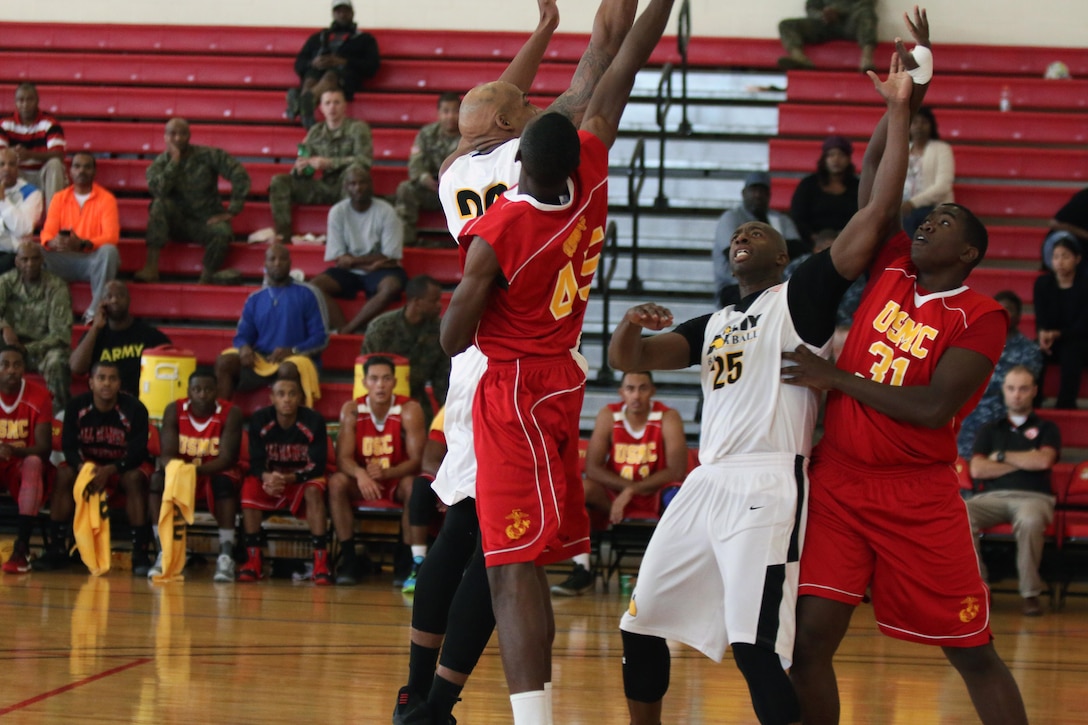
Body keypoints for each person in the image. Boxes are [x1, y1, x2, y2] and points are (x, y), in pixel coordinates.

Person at [613, 41, 916, 725]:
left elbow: (873, 216)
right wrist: (630, 326)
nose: (742, 235)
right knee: (638, 626)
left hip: (767, 483)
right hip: (705, 481)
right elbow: (628, 358)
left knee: (756, 648)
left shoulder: (801, 295)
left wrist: (898, 114)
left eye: (757, 231)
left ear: (784, 253)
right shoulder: (716, 318)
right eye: (735, 235)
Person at [394, 1, 639, 721]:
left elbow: (496, 102)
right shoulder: (538, 151)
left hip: (475, 362)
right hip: (512, 363)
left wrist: (541, 30)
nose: (528, 98)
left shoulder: (454, 168)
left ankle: (422, 693)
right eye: (523, 103)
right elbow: (603, 59)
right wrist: (597, 20)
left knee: (467, 525)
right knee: (498, 548)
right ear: (517, 129)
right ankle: (434, 696)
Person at [784, 11, 1030, 724]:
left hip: (918, 496)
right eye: (926, 218)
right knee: (808, 647)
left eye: (945, 222)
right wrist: (904, 102)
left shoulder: (981, 314)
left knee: (973, 649)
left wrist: (833, 380)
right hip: (840, 485)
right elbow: (876, 186)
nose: (927, 223)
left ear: (970, 254)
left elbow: (929, 408)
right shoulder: (892, 262)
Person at [440, 0, 678, 719]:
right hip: (561, 376)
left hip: (506, 383)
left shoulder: (488, 214)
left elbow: (454, 335)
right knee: (517, 552)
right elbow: (617, 68)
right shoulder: (591, 175)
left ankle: (508, 709)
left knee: (508, 563)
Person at [551, 370, 686, 597]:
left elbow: (676, 470)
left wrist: (632, 490)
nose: (636, 395)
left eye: (642, 388)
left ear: (652, 391)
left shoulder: (667, 416)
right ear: (621, 392)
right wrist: (625, 490)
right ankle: (582, 570)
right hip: (613, 497)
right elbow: (593, 467)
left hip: (655, 492)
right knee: (580, 490)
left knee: (678, 500)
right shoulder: (609, 415)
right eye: (630, 389)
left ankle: (672, 575)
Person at [35, 359, 153, 575]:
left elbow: (138, 452)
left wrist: (111, 470)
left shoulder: (135, 409)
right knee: (63, 473)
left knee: (136, 479)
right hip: (87, 466)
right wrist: (83, 468)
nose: (106, 384)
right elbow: (68, 447)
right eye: (101, 378)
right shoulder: (76, 406)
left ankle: (140, 553)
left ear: (120, 384)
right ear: (91, 383)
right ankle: (56, 549)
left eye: (112, 379)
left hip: (122, 467)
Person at [967, 365, 1061, 617]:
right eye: (1011, 388)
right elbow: (976, 469)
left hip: (1034, 498)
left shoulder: (1047, 428)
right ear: (1004, 392)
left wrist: (998, 459)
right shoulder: (989, 429)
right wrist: (1024, 459)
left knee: (1029, 521)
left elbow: (1043, 462)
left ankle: (1030, 594)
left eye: (1022, 388)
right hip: (991, 498)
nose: (1016, 394)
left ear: (1034, 391)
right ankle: (980, 589)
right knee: (959, 513)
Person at [328, 355, 425, 585]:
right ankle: (350, 558)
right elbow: (342, 459)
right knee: (336, 483)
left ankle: (404, 560)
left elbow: (417, 460)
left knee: (414, 485)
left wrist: (387, 473)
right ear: (364, 382)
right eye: (374, 379)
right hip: (362, 479)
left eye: (386, 378)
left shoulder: (409, 409)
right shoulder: (352, 410)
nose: (380, 385)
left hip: (395, 477)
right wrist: (361, 474)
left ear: (394, 381)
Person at [151, 369, 244, 582]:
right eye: (197, 390)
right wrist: (180, 472)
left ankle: (226, 554)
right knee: (157, 479)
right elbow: (166, 454)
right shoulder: (174, 410)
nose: (203, 394)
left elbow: (228, 457)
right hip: (183, 473)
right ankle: (163, 551)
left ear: (217, 391)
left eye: (208, 390)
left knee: (224, 483)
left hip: (213, 472)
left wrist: (192, 472)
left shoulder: (231, 413)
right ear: (189, 392)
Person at [237, 376, 332, 585]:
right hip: (271, 479)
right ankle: (253, 560)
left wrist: (290, 478)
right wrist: (267, 477)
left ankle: (320, 562)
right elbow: (255, 461)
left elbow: (318, 464)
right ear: (272, 398)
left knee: (315, 490)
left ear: (300, 398)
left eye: (292, 394)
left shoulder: (313, 420)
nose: (286, 399)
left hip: (301, 479)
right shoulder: (260, 420)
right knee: (249, 489)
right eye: (281, 394)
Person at [138, 118, 250, 285]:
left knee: (223, 232)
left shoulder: (208, 155)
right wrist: (174, 162)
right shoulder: (158, 165)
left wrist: (232, 210)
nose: (178, 138)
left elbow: (239, 173)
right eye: (173, 134)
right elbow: (158, 191)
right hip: (176, 225)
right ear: (165, 137)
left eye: (183, 133)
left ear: (189, 136)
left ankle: (206, 277)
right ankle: (151, 267)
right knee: (159, 204)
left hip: (206, 221)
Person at [215, 244, 328, 405]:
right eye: (272, 259)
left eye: (282, 259)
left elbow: (321, 338)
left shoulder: (308, 293)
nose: (277, 263)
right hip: (262, 361)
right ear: (265, 264)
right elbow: (242, 336)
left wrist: (293, 351)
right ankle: (220, 420)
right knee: (224, 361)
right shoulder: (255, 298)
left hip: (297, 360)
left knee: (286, 369)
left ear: (290, 263)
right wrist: (244, 347)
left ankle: (287, 426)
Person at [309, 164, 406, 334]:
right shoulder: (337, 212)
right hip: (355, 269)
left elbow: (390, 255)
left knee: (391, 286)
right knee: (314, 287)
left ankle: (348, 329)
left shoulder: (387, 212)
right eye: (353, 184)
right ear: (346, 187)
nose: (358, 188)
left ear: (371, 184)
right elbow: (338, 255)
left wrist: (353, 261)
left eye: (362, 183)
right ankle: (342, 328)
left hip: (381, 269)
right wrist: (366, 265)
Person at [269, 88, 373, 243]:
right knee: (279, 181)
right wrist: (301, 168)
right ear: (321, 108)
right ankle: (283, 234)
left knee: (354, 173)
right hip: (323, 187)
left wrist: (329, 163)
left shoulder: (358, 128)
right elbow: (305, 164)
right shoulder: (315, 131)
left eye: (337, 102)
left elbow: (365, 161)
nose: (332, 107)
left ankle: (345, 236)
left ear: (345, 106)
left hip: (349, 188)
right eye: (328, 103)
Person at [957, 290, 1043, 458]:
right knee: (966, 467)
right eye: (998, 308)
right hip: (975, 414)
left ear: (1019, 316)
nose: (1004, 313)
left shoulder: (1029, 350)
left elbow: (1025, 383)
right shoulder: (975, 343)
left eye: (1009, 309)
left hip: (1009, 415)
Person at [39, 152, 121, 324]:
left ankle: (95, 311)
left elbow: (111, 237)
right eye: (77, 166)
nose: (81, 171)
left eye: (87, 166)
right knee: (34, 251)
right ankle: (40, 310)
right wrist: (52, 242)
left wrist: (83, 243)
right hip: (63, 258)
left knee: (109, 251)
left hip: (91, 260)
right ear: (70, 171)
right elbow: (46, 233)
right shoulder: (59, 198)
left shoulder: (106, 199)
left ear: (94, 171)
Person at [361, 274, 449, 425]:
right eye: (434, 301)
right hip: (382, 400)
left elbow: (442, 380)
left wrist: (449, 412)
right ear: (416, 302)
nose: (439, 305)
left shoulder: (439, 330)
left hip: (417, 400)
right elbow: (367, 371)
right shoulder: (381, 328)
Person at [712, 171, 801, 307]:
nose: (758, 195)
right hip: (735, 286)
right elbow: (735, 254)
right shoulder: (731, 217)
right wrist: (772, 246)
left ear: (769, 195)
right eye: (753, 190)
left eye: (762, 191)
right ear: (743, 193)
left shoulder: (780, 219)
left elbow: (799, 250)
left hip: (776, 286)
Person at [0, 345, 53, 574]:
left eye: (17, 365)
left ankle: (21, 549)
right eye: (5, 364)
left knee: (34, 463)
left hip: (22, 463)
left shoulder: (39, 395)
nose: (11, 370)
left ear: (24, 369)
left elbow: (43, 449)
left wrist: (10, 450)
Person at [0, 241, 71, 408]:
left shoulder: (56, 287)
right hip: (8, 348)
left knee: (58, 361)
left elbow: (61, 335)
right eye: (24, 259)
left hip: (42, 350)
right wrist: (4, 326)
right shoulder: (5, 282)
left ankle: (58, 417)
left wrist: (27, 349)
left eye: (34, 259)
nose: (30, 264)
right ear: (17, 261)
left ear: (42, 260)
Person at [70, 280, 171, 397]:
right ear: (102, 303)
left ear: (129, 300)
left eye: (120, 295)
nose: (114, 300)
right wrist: (95, 327)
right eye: (109, 296)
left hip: (140, 402)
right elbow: (76, 368)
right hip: (104, 403)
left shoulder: (149, 335)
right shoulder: (95, 335)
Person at [289, 0, 380, 129]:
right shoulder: (318, 37)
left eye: (346, 11)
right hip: (317, 74)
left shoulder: (365, 39)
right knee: (310, 79)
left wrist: (344, 61)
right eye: (338, 11)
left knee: (330, 77)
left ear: (352, 13)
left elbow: (372, 66)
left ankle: (302, 102)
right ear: (333, 13)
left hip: (346, 78)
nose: (342, 14)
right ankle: (306, 106)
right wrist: (313, 63)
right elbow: (299, 64)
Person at [395, 92, 462, 247]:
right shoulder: (426, 134)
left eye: (455, 111)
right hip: (432, 189)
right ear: (438, 113)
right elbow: (415, 163)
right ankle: (406, 240)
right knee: (405, 188)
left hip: (458, 191)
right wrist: (424, 178)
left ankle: (468, 242)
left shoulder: (469, 135)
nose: (450, 116)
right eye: (446, 111)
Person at [1034, 237, 1088, 409]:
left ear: (1077, 259)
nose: (1059, 262)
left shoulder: (1085, 286)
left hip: (1079, 339)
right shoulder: (1042, 284)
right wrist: (1043, 333)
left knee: (1072, 350)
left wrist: (1058, 334)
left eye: (1065, 256)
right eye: (1056, 257)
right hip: (1052, 338)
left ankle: (1065, 404)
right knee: (1035, 350)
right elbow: (1040, 317)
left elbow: (1083, 324)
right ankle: (1034, 400)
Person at [0, 83, 67, 208]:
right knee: (3, 164)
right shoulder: (4, 124)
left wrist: (29, 154)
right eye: (21, 100)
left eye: (29, 99)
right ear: (15, 103)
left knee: (55, 164)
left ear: (37, 101)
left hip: (43, 175)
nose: (25, 104)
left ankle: (53, 219)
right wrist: (13, 153)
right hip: (17, 174)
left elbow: (59, 154)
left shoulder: (50, 123)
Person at [788, 135, 860, 251]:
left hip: (849, 243)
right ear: (824, 159)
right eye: (831, 155)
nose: (836, 159)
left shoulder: (858, 186)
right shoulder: (808, 184)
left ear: (848, 159)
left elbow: (861, 215)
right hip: (811, 243)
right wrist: (813, 237)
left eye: (841, 155)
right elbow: (798, 216)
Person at [777, 0, 878, 73]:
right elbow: (811, 7)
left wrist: (838, 11)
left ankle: (867, 59)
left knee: (867, 13)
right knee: (786, 24)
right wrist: (822, 15)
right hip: (825, 24)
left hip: (851, 23)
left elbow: (867, 4)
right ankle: (799, 58)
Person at [901, 105, 955, 235]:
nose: (919, 126)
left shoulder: (942, 149)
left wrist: (912, 203)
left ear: (931, 126)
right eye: (915, 122)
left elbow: (943, 187)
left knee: (910, 219)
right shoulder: (902, 149)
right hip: (904, 207)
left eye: (924, 122)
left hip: (933, 207)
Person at [0, 147, 43, 274]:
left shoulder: (32, 193)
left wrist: (3, 201)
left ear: (18, 168)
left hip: (15, 254)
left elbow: (23, 229)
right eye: (1, 164)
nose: (6, 168)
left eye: (11, 164)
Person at [1041, 185, 1088, 275]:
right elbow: (1054, 223)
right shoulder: (1084, 198)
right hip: (1071, 244)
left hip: (1083, 255)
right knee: (1063, 238)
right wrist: (1085, 234)